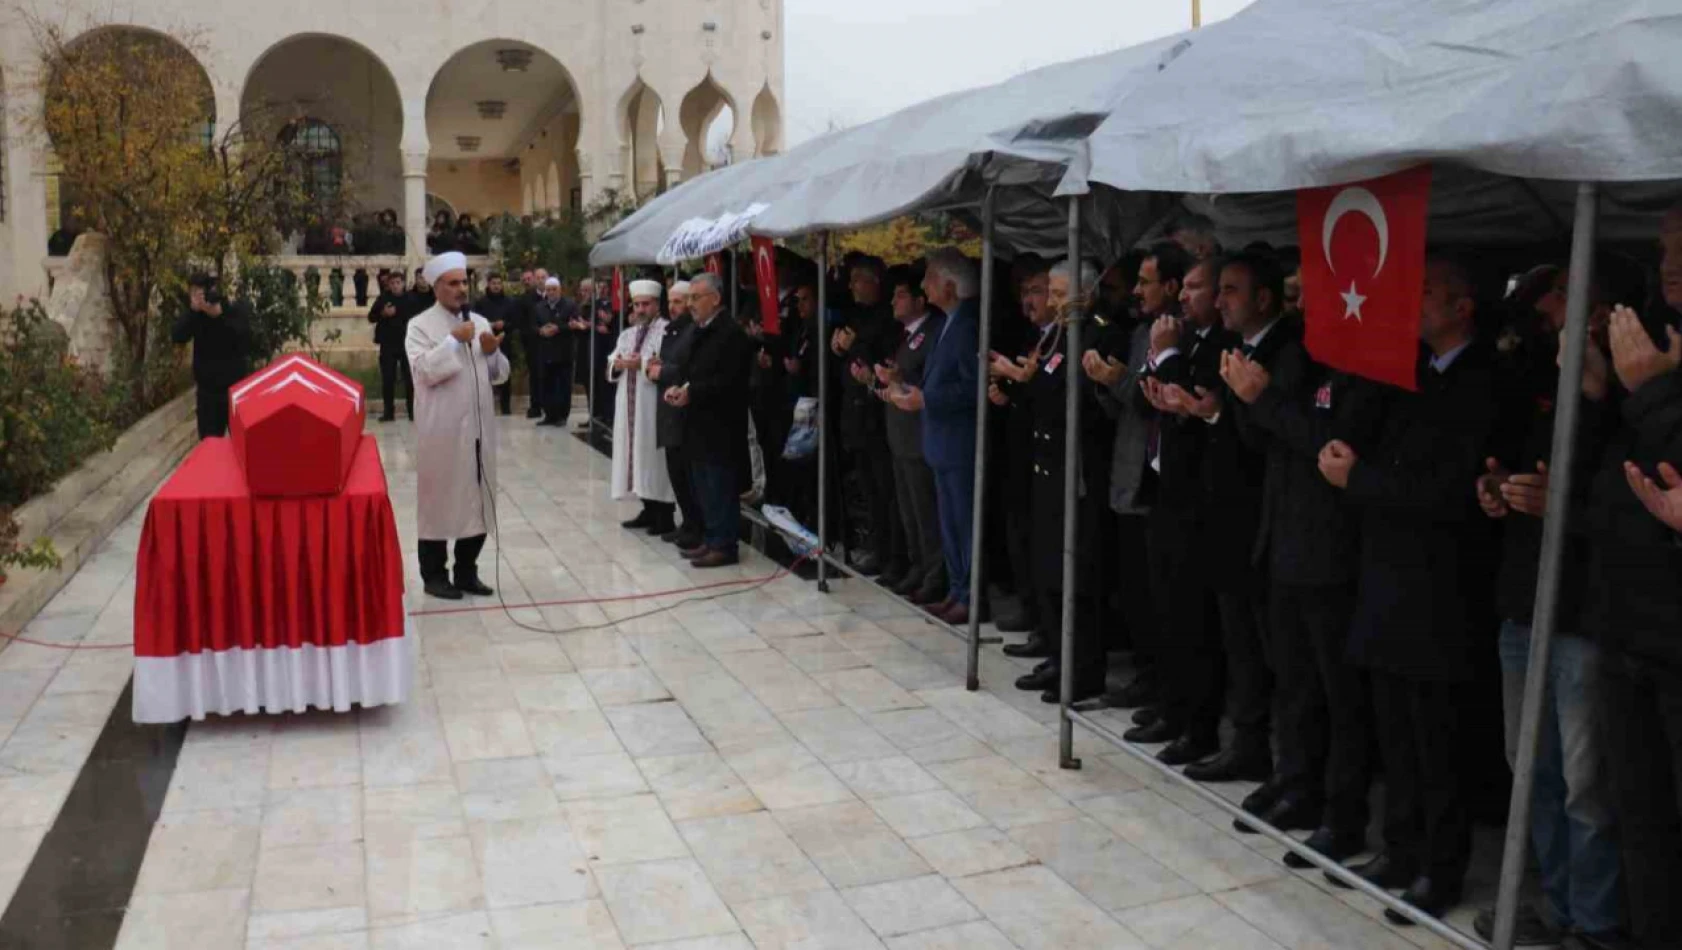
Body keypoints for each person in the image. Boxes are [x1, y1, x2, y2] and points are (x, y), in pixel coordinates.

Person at [1319, 254, 1500, 924]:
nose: (1415, 302)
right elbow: (1359, 437)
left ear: (1463, 306)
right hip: (1388, 574)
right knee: (1394, 727)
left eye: (1428, 293)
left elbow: (1446, 489)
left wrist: (1359, 481)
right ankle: (1400, 848)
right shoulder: (1410, 372)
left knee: (1437, 738)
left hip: (1440, 585)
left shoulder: (1481, 380)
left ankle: (1440, 866)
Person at [1467, 257, 1635, 947]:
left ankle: (1596, 925)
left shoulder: (1634, 390)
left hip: (1586, 612)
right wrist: (1499, 488)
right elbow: (1518, 465)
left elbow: (1624, 506)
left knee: (1585, 785)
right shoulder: (1538, 378)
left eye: (1563, 298)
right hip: (1524, 600)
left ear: (1602, 307)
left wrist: (1561, 498)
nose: (1547, 314)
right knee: (1530, 767)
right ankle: (1557, 906)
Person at [1220, 263, 1382, 867]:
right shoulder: (1301, 355)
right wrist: (1251, 398)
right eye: (1291, 298)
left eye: (1307, 298)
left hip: (1333, 553)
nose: (1298, 310)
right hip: (1284, 541)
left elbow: (1326, 441)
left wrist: (1265, 400)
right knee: (1293, 684)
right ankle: (1297, 785)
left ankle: (1343, 816)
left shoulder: (1363, 365)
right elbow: (1265, 439)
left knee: (1339, 698)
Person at [1580, 206, 1682, 950]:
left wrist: (1650, 391)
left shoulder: (1653, 364)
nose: (1669, 263)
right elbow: (1617, 473)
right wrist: (1597, 400)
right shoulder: (1649, 333)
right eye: (1664, 249)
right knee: (1639, 819)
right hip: (1627, 626)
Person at [405, 251, 511, 601]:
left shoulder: (479, 321)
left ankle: (467, 570)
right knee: (439, 502)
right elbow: (422, 372)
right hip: (442, 434)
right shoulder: (419, 326)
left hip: (479, 433)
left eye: (464, 281)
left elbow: (498, 375)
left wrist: (493, 351)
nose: (461, 289)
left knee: (476, 502)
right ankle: (434, 575)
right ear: (436, 287)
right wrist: (452, 340)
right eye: (453, 283)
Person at [891, 248, 980, 626]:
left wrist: (926, 398)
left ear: (949, 285)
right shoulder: (947, 322)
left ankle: (970, 594)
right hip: (941, 442)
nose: (924, 286)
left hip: (959, 442)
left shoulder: (969, 324)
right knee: (949, 523)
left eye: (929, 278)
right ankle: (957, 589)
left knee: (964, 521)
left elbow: (972, 387)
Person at [667, 273, 754, 568]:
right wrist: (677, 387)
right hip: (696, 422)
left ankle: (724, 544)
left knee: (719, 486)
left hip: (720, 425)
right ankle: (710, 537)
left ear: (715, 299)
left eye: (696, 298)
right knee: (701, 484)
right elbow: (686, 367)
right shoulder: (698, 330)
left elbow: (729, 381)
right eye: (689, 298)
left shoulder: (731, 334)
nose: (690, 304)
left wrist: (694, 393)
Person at [876, 265, 947, 605]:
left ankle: (935, 574)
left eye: (901, 295)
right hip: (900, 435)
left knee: (926, 511)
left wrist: (900, 378)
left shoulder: (934, 332)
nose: (893, 301)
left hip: (920, 436)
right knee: (909, 511)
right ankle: (918, 566)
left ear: (920, 301)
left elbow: (929, 381)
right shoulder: (903, 335)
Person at [832, 257, 906, 580]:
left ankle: (894, 555)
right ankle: (878, 548)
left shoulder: (887, 320)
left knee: (887, 490)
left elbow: (878, 358)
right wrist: (838, 349)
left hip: (879, 415)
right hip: (856, 415)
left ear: (874, 281)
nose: (851, 286)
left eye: (857, 280)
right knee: (870, 489)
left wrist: (854, 348)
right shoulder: (855, 315)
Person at [610, 281, 676, 534]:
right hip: (628, 405)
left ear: (657, 305)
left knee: (654, 458)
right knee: (635, 457)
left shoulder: (666, 331)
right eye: (637, 304)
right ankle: (648, 509)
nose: (640, 309)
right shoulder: (628, 333)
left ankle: (664, 515)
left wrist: (642, 364)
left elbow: (666, 364)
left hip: (652, 407)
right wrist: (617, 364)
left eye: (645, 304)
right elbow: (612, 361)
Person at [651, 281, 704, 547]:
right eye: (670, 302)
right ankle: (688, 523)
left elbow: (686, 368)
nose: (673, 307)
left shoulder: (693, 331)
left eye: (678, 302)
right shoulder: (672, 331)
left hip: (684, 415)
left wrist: (662, 372)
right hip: (669, 411)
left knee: (687, 474)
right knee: (676, 472)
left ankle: (696, 526)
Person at [171, 273, 252, 439]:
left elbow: (245, 339)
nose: (199, 298)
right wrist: (193, 311)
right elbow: (177, 336)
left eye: (200, 293)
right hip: (208, 394)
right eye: (193, 294)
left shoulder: (233, 310)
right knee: (209, 446)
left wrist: (219, 316)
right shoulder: (195, 316)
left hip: (235, 392)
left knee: (240, 444)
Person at [531, 278, 578, 427]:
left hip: (563, 352)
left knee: (563, 386)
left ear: (560, 290)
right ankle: (549, 415)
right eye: (548, 289)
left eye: (554, 289)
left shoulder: (570, 305)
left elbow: (574, 324)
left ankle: (562, 416)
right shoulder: (539, 307)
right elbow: (532, 326)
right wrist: (541, 331)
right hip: (545, 352)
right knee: (546, 385)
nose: (551, 292)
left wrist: (558, 328)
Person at [368, 271, 413, 422]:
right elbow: (371, 317)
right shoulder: (383, 298)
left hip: (406, 344)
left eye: (398, 283)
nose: (395, 286)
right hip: (388, 345)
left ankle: (412, 411)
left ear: (403, 284)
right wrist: (383, 313)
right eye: (392, 283)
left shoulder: (409, 299)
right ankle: (389, 412)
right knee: (388, 379)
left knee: (409, 378)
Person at [475, 273, 520, 416]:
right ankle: (484, 408)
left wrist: (504, 324)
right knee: (484, 375)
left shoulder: (510, 302)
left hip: (504, 343)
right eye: (493, 283)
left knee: (505, 375)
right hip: (485, 343)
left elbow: (515, 322)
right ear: (488, 284)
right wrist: (490, 324)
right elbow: (474, 321)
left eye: (498, 283)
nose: (496, 286)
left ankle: (505, 408)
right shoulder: (480, 302)